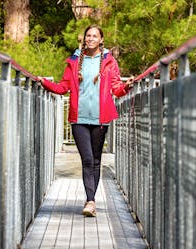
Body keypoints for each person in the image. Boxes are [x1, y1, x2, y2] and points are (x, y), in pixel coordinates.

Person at [38, 24, 134, 217]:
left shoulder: (109, 61)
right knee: (88, 159)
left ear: (101, 40)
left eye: (94, 36)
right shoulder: (74, 61)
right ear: (84, 39)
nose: (90, 39)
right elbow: (63, 87)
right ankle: (90, 201)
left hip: (100, 118)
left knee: (96, 160)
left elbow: (116, 88)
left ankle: (91, 200)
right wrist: (44, 83)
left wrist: (126, 86)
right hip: (79, 118)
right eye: (87, 36)